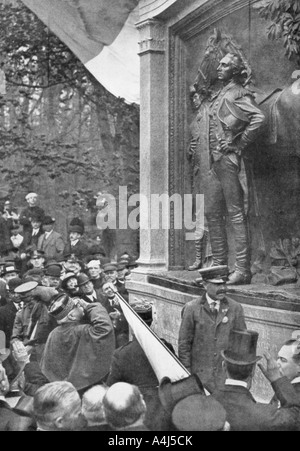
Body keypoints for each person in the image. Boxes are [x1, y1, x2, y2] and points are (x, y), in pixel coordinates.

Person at [203, 53, 265, 285]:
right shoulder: (221, 93)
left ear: (235, 70)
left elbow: (259, 117)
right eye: (220, 64)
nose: (219, 67)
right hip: (214, 161)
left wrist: (239, 143)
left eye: (225, 64)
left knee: (236, 214)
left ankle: (242, 269)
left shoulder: (238, 92)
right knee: (212, 213)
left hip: (229, 160)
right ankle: (220, 267)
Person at [213, 329, 300, 431]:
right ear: (253, 371)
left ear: (223, 366)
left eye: (283, 359)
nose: (277, 363)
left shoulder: (199, 404)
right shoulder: (265, 415)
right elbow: (295, 416)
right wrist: (277, 380)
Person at [178, 265, 246, 393]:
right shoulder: (191, 309)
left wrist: (239, 378)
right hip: (200, 379)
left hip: (225, 380)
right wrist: (188, 377)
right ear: (205, 285)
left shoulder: (235, 308)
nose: (222, 288)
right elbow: (184, 345)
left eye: (224, 284)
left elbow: (241, 344)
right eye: (217, 285)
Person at [107, 301, 169, 431]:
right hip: (164, 408)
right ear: (152, 322)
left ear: (131, 323)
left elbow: (112, 386)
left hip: (136, 410)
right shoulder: (166, 347)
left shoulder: (121, 354)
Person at [41, 293, 115, 391]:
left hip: (61, 387)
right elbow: (104, 328)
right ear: (71, 316)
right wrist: (89, 306)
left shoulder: (53, 333)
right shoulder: (80, 330)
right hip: (84, 387)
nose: (81, 307)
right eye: (77, 306)